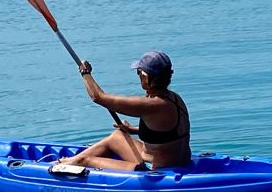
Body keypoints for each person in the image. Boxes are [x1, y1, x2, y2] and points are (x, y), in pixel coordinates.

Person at [58, 51, 191, 171]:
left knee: (85, 161)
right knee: (118, 136)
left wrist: (85, 73)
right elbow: (167, 133)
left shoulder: (151, 105)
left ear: (145, 77)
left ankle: (71, 162)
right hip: (181, 162)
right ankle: (71, 160)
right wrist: (132, 129)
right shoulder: (175, 98)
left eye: (138, 72)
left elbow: (98, 97)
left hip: (155, 170)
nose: (138, 76)